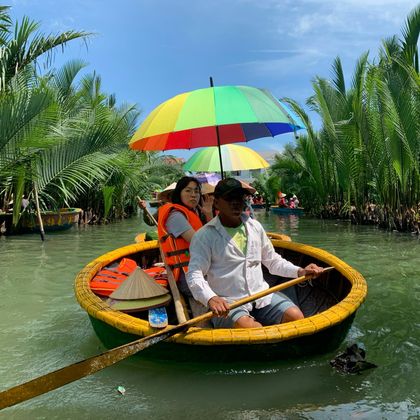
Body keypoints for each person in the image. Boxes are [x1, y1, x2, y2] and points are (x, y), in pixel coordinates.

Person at [186, 178, 324, 329]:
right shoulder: (204, 236)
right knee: (252, 330)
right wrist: (211, 298)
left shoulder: (255, 227)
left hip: (261, 295)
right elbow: (194, 274)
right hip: (228, 302)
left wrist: (300, 271)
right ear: (217, 203)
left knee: (296, 317)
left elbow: (273, 261)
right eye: (229, 198)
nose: (236, 203)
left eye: (239, 198)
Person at [158, 176, 213, 295]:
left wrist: (208, 214)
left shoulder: (194, 213)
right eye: (188, 190)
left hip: (202, 268)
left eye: (196, 191)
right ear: (179, 193)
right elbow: (200, 243)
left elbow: (212, 239)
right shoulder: (175, 216)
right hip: (188, 275)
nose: (193, 195)